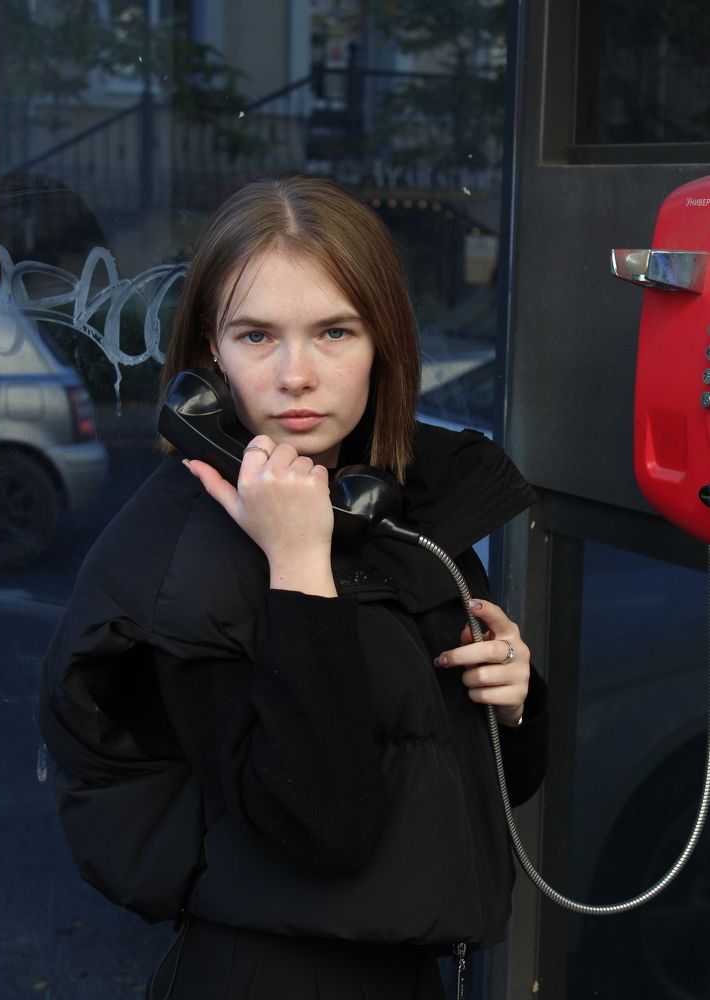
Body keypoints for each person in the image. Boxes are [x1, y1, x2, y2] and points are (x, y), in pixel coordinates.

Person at [40, 175, 548, 1000]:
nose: (296, 375)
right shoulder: (184, 559)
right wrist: (298, 567)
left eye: (335, 332)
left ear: (384, 341)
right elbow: (323, 829)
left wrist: (513, 702)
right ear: (210, 354)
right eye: (256, 336)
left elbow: (481, 785)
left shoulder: (395, 505)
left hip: (406, 972)